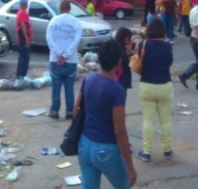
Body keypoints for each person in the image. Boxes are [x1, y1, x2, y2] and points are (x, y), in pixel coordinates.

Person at [74, 41, 137, 189]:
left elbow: (75, 109)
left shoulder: (88, 79)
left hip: (84, 145)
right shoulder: (116, 89)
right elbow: (120, 132)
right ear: (119, 61)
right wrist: (130, 167)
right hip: (105, 149)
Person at [138, 18, 174, 162]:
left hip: (146, 86)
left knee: (148, 121)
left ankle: (147, 152)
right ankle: (167, 149)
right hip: (164, 86)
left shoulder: (143, 44)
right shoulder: (167, 46)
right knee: (165, 121)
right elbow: (169, 63)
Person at [47, 0, 82, 120]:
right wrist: (66, 55)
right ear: (70, 9)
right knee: (69, 87)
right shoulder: (76, 22)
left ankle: (54, 111)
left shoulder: (53, 21)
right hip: (71, 61)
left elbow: (49, 39)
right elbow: (76, 41)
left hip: (55, 60)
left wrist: (58, 54)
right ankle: (69, 112)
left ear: (60, 9)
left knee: (56, 87)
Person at [16, 0, 33, 78]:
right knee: (25, 58)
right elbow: (23, 25)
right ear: (25, 4)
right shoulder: (23, 13)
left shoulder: (20, 12)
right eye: (27, 3)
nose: (27, 4)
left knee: (22, 57)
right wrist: (27, 39)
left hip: (20, 39)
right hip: (23, 40)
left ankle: (19, 75)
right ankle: (21, 76)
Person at [115, 27, 133, 98]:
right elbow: (128, 63)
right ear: (125, 38)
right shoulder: (120, 49)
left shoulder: (117, 45)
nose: (130, 41)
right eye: (129, 39)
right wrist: (131, 52)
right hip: (120, 80)